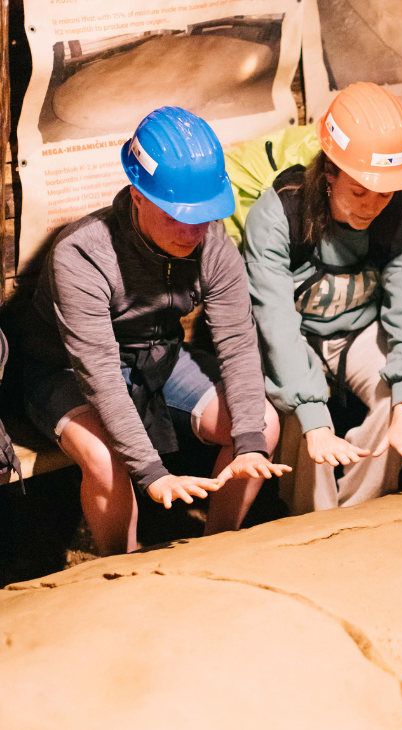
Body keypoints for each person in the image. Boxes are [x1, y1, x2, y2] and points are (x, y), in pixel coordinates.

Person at [21, 107, 288, 556]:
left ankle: (218, 549)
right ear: (138, 195)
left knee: (263, 425)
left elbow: (238, 344)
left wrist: (249, 444)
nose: (191, 231)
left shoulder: (213, 243)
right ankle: (118, 569)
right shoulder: (82, 254)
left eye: (202, 215)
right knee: (107, 460)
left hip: (158, 359)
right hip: (64, 369)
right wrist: (152, 471)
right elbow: (101, 375)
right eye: (175, 215)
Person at [243, 82, 402, 515]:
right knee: (303, 417)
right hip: (296, 335)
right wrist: (313, 412)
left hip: (360, 334)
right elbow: (274, 321)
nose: (372, 206)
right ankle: (312, 522)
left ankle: (363, 515)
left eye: (385, 192)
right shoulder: (278, 215)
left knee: (396, 400)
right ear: (329, 173)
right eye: (360, 191)